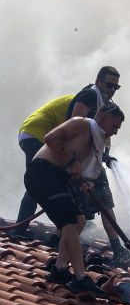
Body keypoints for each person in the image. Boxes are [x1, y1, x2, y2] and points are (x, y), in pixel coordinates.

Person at [23, 102, 125, 296]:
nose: (115, 132)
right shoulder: (81, 124)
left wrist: (85, 182)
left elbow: (78, 168)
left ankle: (60, 270)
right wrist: (71, 161)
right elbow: (50, 138)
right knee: (70, 224)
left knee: (79, 222)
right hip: (42, 173)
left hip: (58, 178)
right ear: (103, 118)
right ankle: (79, 277)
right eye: (115, 126)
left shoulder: (96, 141)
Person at [64, 66, 128, 265]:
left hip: (92, 157)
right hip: (80, 158)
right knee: (84, 206)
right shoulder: (89, 96)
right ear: (98, 81)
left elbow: (103, 132)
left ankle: (117, 248)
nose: (112, 90)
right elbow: (76, 124)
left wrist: (105, 155)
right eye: (109, 85)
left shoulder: (105, 102)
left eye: (116, 87)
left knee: (102, 203)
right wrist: (80, 158)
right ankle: (66, 245)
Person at [12, 94, 76, 237]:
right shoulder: (80, 104)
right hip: (37, 135)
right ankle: (19, 229)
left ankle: (21, 227)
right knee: (37, 184)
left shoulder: (78, 101)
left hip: (29, 134)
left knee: (39, 184)